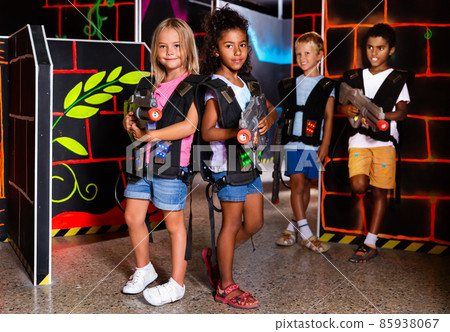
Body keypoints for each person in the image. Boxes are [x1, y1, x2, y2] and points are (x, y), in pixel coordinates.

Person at [199, 6, 277, 309]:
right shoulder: (216, 88)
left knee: (255, 222)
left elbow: (270, 108)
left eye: (242, 45)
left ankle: (218, 256)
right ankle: (226, 285)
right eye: (229, 45)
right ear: (216, 50)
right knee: (231, 224)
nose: (237, 52)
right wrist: (236, 133)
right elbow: (207, 132)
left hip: (251, 164)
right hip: (227, 167)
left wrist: (269, 119)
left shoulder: (251, 83)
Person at [122, 18, 201, 306]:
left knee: (173, 224)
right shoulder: (148, 83)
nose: (169, 52)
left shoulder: (195, 85)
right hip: (141, 162)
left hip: (171, 164)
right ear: (155, 50)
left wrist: (150, 135)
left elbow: (190, 126)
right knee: (132, 217)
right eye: (163, 46)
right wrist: (130, 123)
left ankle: (177, 283)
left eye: (176, 46)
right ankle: (144, 269)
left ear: (187, 48)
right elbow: (132, 118)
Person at [337, 23, 411, 263]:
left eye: (380, 48)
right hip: (358, 140)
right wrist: (347, 109)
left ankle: (370, 241)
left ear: (391, 50)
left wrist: (379, 116)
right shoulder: (353, 77)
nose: (374, 53)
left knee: (379, 192)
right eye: (370, 47)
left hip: (385, 143)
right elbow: (341, 106)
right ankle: (371, 202)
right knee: (359, 185)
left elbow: (402, 113)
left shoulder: (397, 79)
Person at [275, 32, 335, 253]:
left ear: (320, 55)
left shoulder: (327, 85)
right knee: (297, 183)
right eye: (298, 54)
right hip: (293, 142)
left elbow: (328, 116)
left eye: (307, 53)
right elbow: (282, 114)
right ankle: (308, 235)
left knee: (306, 185)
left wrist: (325, 144)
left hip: (313, 143)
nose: (302, 58)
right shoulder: (290, 83)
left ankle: (292, 227)